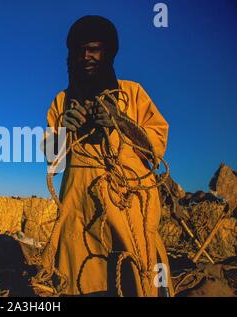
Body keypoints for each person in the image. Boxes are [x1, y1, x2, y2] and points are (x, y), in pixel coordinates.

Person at [41, 16, 173, 297]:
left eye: (94, 49)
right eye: (80, 50)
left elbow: (157, 146)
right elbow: (52, 157)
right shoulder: (61, 102)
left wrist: (120, 121)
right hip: (79, 212)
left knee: (136, 276)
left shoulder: (132, 93)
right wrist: (64, 128)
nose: (87, 56)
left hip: (128, 205)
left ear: (108, 53)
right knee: (81, 277)